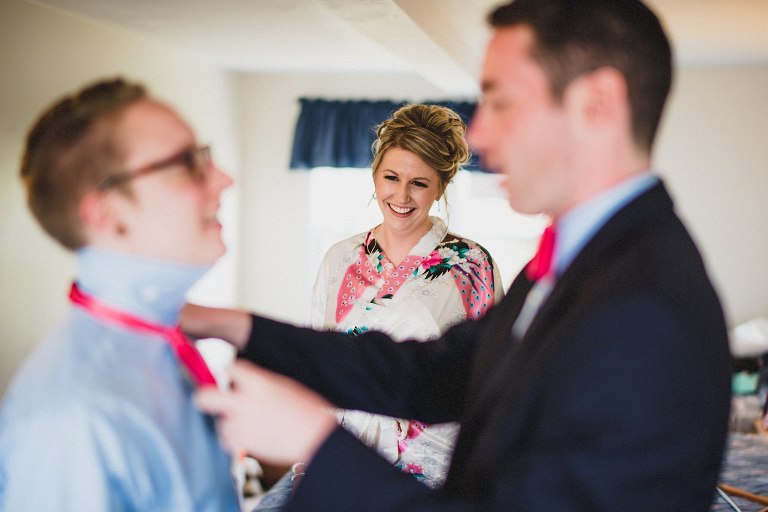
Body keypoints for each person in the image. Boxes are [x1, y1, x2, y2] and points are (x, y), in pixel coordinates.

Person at [190, 1, 732, 510]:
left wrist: (314, 441)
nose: (481, 134)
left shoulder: (644, 308)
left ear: (597, 105)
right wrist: (231, 325)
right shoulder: (579, 267)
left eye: (501, 102)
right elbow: (432, 372)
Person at [0, 78, 239, 511]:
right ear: (107, 214)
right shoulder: (71, 419)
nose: (224, 179)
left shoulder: (164, 347)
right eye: (188, 163)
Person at [255, 104, 503, 509]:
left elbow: (489, 372)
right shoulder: (341, 258)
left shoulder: (471, 264)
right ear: (375, 175)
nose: (401, 196)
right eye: (391, 178)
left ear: (440, 187)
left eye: (419, 183)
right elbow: (317, 364)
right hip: (343, 450)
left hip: (427, 463)